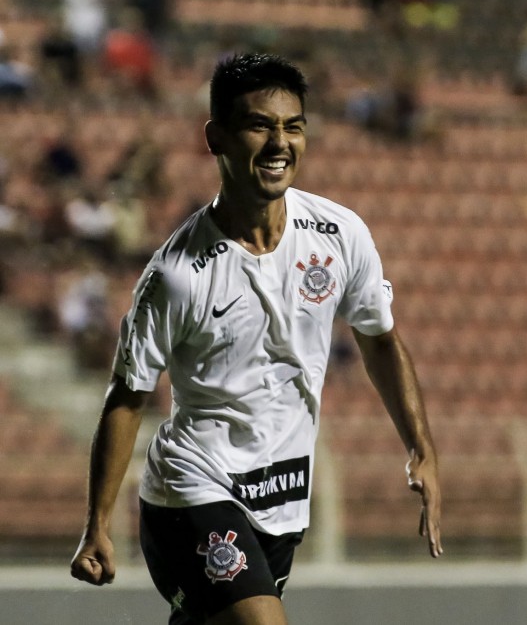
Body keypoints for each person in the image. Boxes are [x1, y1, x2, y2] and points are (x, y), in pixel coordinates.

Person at [70, 53, 443, 625]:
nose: (279, 143)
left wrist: (421, 446)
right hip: (193, 490)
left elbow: (380, 339)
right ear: (214, 137)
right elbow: (128, 394)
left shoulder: (340, 234)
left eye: (293, 126)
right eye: (258, 125)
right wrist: (97, 523)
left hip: (281, 502)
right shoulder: (177, 274)